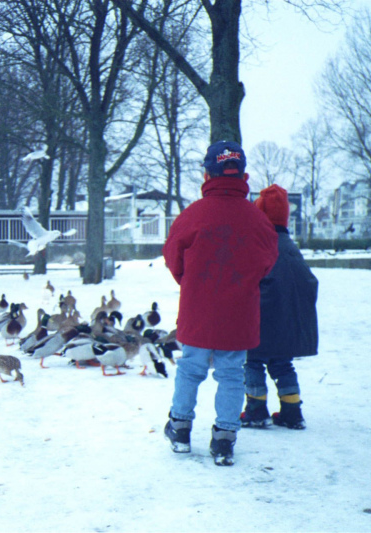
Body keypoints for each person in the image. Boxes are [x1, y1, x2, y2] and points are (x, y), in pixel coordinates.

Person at [162, 140, 279, 466]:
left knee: (190, 368)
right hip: (238, 312)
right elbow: (268, 262)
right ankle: (224, 439)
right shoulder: (257, 220)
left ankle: (180, 429)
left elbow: (173, 257)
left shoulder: (193, 215)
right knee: (231, 374)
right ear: (243, 174)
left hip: (197, 309)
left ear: (207, 173)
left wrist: (193, 282)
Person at [241, 184, 319, 430]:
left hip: (260, 321)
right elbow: (308, 282)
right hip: (286, 323)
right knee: (283, 364)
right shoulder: (290, 247)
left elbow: (247, 280)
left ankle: (256, 410)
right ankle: (292, 410)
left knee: (253, 362)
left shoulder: (259, 245)